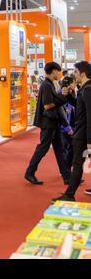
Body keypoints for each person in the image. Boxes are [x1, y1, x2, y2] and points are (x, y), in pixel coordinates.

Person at [24, 62, 73, 185]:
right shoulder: (46, 85)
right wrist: (62, 98)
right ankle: (29, 172)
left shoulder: (49, 84)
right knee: (43, 148)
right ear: (53, 71)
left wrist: (61, 96)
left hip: (53, 122)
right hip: (48, 123)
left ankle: (67, 177)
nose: (59, 73)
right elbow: (48, 105)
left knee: (60, 149)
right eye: (58, 71)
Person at [52, 61, 91, 202]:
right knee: (78, 164)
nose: (74, 75)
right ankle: (69, 194)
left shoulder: (87, 90)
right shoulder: (84, 89)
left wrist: (89, 141)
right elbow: (79, 107)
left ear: (83, 73)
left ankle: (69, 195)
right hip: (81, 133)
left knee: (77, 164)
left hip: (82, 134)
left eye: (75, 72)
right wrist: (68, 96)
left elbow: (89, 116)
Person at [60, 76, 76, 171]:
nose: (75, 85)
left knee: (69, 149)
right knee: (70, 148)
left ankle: (66, 170)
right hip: (66, 127)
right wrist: (68, 128)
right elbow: (63, 114)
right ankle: (66, 170)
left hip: (71, 125)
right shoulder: (63, 95)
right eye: (73, 83)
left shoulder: (72, 94)